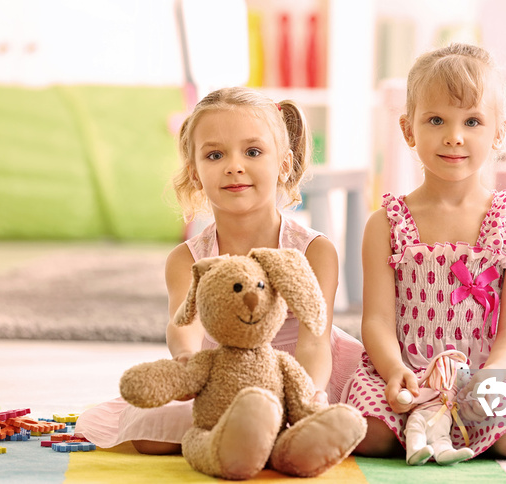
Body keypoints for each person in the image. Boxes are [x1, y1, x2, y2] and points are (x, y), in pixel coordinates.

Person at [74, 86, 364, 454]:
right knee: (146, 435)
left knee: (371, 429)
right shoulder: (188, 259)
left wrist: (307, 400)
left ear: (284, 164)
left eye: (253, 152)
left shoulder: (315, 250)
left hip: (305, 375)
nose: (234, 166)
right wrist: (187, 364)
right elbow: (185, 324)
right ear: (195, 173)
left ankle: (273, 434)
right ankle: (253, 438)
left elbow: (314, 341)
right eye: (215, 155)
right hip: (223, 374)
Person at [343, 43, 506, 462]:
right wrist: (396, 373)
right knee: (368, 434)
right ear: (408, 128)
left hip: (489, 371)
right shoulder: (385, 223)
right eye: (436, 120)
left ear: (498, 132)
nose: (454, 136)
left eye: (472, 121)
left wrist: (490, 379)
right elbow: (376, 319)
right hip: (408, 370)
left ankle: (462, 426)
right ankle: (433, 426)